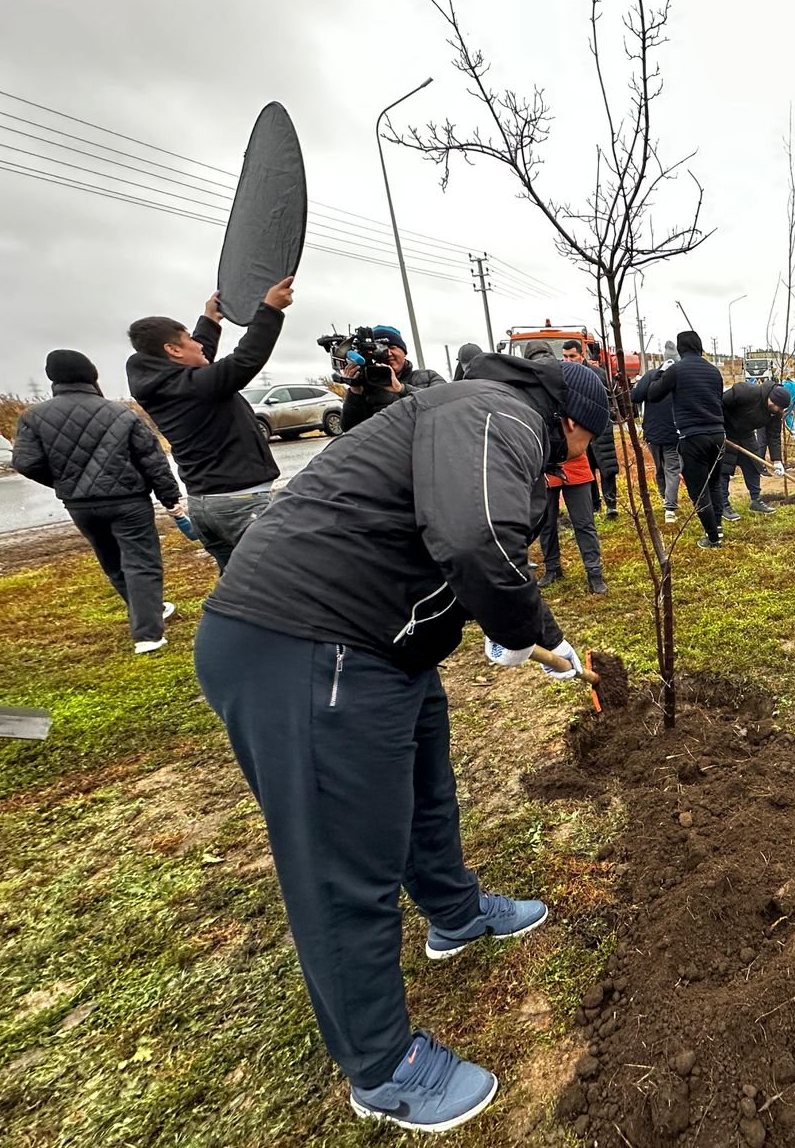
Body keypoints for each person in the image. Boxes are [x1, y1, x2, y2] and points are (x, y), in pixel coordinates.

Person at [194, 355, 610, 1133]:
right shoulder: (498, 411)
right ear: (571, 415)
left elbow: (475, 550)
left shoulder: (486, 416)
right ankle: (383, 1069)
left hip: (380, 646)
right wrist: (520, 629)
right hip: (306, 642)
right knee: (343, 866)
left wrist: (534, 635)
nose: (578, 460)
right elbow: (474, 537)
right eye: (585, 441)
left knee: (425, 789)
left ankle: (455, 913)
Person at [12, 350, 184, 653]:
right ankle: (148, 634)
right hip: (129, 500)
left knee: (112, 562)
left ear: (53, 377)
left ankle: (146, 613)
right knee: (141, 563)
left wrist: (63, 482)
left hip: (80, 505)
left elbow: (26, 462)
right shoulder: (120, 413)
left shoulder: (33, 417)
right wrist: (170, 498)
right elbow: (152, 460)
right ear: (92, 375)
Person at [126, 276, 294, 572]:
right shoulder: (194, 386)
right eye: (189, 338)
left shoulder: (165, 384)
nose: (197, 343)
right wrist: (270, 310)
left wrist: (210, 320)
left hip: (205, 506)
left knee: (238, 588)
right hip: (239, 506)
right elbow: (245, 360)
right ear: (173, 350)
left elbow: (199, 356)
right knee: (279, 581)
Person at [643, 329, 726, 548]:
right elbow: (718, 399)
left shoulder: (676, 370)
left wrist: (661, 373)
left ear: (680, 349)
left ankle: (712, 538)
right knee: (715, 483)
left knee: (698, 489)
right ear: (699, 347)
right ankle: (717, 527)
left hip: (693, 436)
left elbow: (653, 394)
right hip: (718, 434)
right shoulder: (714, 371)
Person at [539, 374, 608, 595]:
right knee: (546, 523)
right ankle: (552, 568)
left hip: (576, 464)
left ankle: (594, 572)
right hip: (546, 466)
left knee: (584, 522)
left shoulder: (572, 393)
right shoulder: (534, 397)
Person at [342, 327, 446, 430]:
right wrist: (355, 392)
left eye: (392, 347)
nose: (388, 353)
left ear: (404, 351)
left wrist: (402, 389)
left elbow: (447, 406)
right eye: (380, 349)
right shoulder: (367, 388)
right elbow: (351, 430)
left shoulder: (428, 377)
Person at [717, 381, 791, 518]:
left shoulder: (775, 412)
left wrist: (777, 460)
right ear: (772, 399)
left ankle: (755, 500)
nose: (779, 411)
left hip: (746, 435)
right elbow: (718, 404)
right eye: (778, 407)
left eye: (781, 409)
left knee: (754, 464)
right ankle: (723, 504)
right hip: (725, 433)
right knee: (723, 469)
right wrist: (716, 428)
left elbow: (773, 435)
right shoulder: (746, 392)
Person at [632, 346, 682, 523]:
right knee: (672, 469)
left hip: (652, 431)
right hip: (674, 431)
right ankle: (669, 507)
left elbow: (635, 396)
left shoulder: (651, 375)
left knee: (660, 468)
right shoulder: (680, 376)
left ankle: (665, 499)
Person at [574, 341, 621, 518]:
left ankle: (611, 505)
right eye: (566, 356)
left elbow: (612, 398)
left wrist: (614, 416)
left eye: (573, 356)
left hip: (601, 428)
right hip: (580, 430)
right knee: (587, 469)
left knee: (606, 467)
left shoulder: (598, 374)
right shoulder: (563, 376)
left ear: (582, 354)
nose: (569, 360)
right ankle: (594, 505)